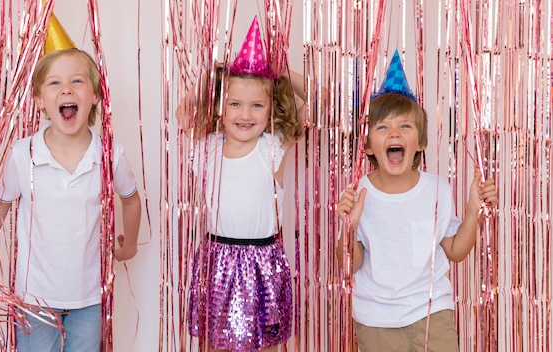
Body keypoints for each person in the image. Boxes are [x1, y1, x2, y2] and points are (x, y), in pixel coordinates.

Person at [0, 48, 142, 352]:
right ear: (40, 100)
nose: (66, 88)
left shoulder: (109, 155)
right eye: (55, 83)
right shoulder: (23, 154)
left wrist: (130, 245)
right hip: (34, 299)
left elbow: (131, 199)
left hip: (89, 298)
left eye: (77, 81)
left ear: (95, 95)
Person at [336, 51, 498, 352]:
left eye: (405, 127)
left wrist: (473, 208)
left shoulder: (436, 190)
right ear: (368, 145)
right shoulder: (358, 193)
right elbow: (349, 265)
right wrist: (350, 226)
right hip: (377, 320)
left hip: (432, 313)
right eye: (382, 127)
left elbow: (455, 251)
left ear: (420, 143)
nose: (394, 133)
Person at [175, 17, 305, 352]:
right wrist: (215, 76)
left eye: (257, 105)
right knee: (213, 343)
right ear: (220, 105)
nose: (245, 114)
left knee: (266, 344)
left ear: (271, 109)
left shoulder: (272, 148)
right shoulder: (207, 148)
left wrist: (280, 72)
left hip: (263, 261)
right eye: (235, 103)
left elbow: (316, 99)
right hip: (216, 262)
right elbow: (182, 113)